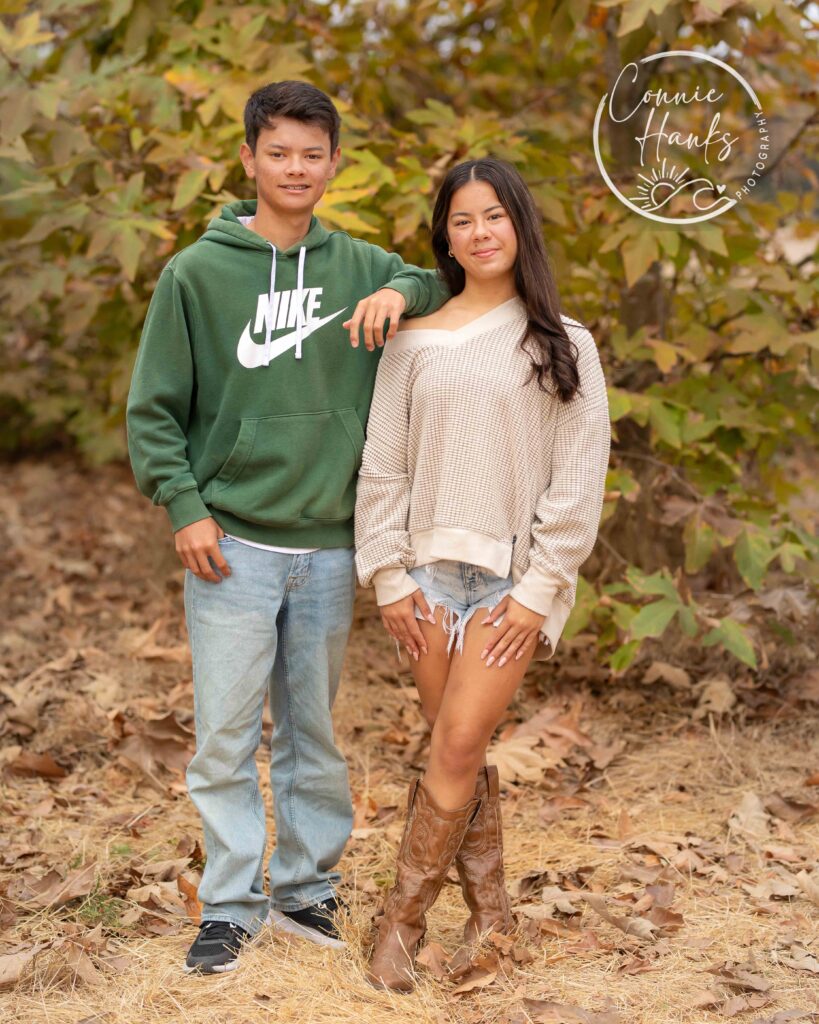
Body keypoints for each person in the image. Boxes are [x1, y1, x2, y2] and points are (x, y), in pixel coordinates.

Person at [126, 80, 448, 975]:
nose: (296, 168)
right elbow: (153, 411)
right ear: (249, 160)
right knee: (226, 735)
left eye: (313, 153)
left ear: (333, 163)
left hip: (329, 544)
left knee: (312, 733)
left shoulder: (356, 267)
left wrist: (401, 293)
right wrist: (186, 506)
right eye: (279, 152)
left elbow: (442, 276)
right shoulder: (198, 273)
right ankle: (230, 906)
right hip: (230, 542)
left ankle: (307, 893)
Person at [354, 157, 611, 992]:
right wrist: (389, 577)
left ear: (518, 226)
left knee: (459, 741)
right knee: (452, 754)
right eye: (462, 220)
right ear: (446, 237)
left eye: (493, 215)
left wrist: (539, 593)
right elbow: (382, 466)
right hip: (424, 578)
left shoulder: (564, 343)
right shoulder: (412, 340)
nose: (479, 232)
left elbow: (578, 481)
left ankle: (399, 923)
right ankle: (492, 918)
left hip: (509, 581)